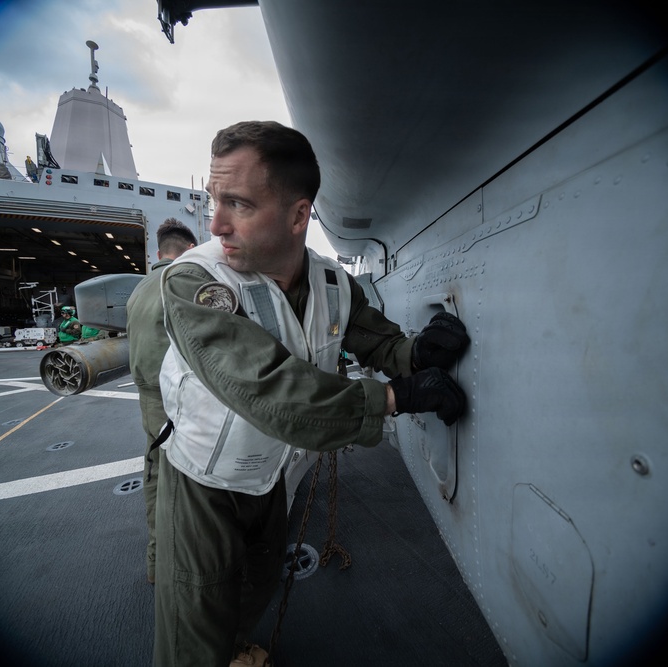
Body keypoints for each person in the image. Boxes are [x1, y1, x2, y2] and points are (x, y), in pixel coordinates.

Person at [153, 120, 469, 667]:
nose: (216, 224)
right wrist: (393, 399)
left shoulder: (332, 283)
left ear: (299, 216)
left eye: (238, 204)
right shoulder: (194, 282)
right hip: (204, 480)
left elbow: (375, 339)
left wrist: (418, 353)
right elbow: (270, 391)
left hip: (272, 476)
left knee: (257, 584)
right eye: (214, 201)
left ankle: (235, 649)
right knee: (195, 619)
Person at [125, 218, 198, 585]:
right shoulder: (183, 282)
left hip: (148, 399)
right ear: (190, 250)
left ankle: (155, 562)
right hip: (176, 400)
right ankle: (180, 569)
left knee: (154, 475)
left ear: (158, 253)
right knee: (186, 485)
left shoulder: (139, 288)